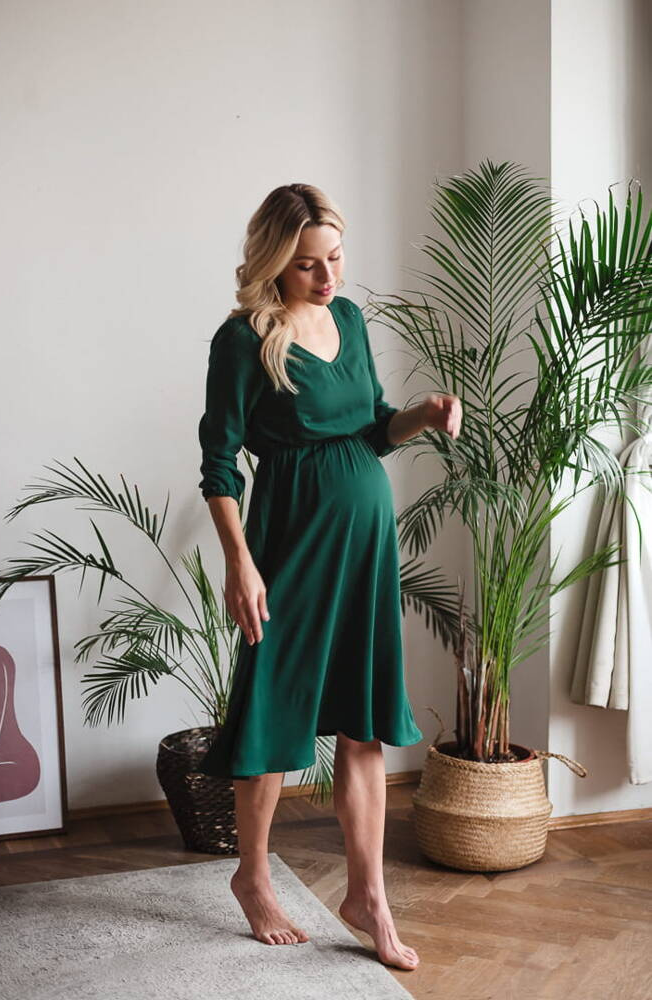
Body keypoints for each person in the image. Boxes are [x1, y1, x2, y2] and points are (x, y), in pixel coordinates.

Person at [196, 183, 462, 971]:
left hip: (364, 543)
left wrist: (422, 414)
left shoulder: (348, 319)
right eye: (307, 265)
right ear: (275, 263)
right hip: (290, 543)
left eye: (334, 258)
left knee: (361, 717)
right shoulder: (242, 340)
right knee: (273, 710)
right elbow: (219, 465)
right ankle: (251, 877)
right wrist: (240, 563)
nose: (327, 277)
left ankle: (367, 897)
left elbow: (372, 428)